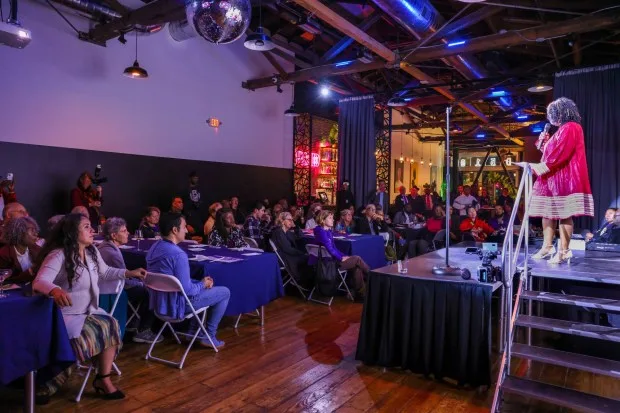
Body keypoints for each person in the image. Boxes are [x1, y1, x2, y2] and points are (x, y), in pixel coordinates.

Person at [33, 214, 146, 401]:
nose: (92, 230)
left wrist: (129, 273)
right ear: (72, 232)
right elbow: (40, 281)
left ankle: (103, 379)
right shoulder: (58, 254)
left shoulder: (92, 251)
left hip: (88, 312)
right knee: (100, 329)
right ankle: (49, 380)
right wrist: (55, 291)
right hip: (64, 316)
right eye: (86, 227)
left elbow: (106, 272)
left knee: (111, 324)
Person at [146, 212, 230, 349]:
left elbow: (174, 281)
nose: (186, 230)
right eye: (184, 227)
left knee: (200, 285)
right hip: (176, 306)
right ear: (174, 230)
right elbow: (188, 291)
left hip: (159, 305)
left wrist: (200, 284)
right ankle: (208, 335)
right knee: (224, 292)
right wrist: (203, 284)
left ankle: (192, 333)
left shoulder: (154, 248)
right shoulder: (178, 254)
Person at [529, 98, 594, 264]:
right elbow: (549, 152)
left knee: (564, 215)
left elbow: (559, 154)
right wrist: (543, 140)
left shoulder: (571, 127)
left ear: (562, 112)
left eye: (554, 114)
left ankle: (564, 250)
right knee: (547, 212)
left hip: (565, 178)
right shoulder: (560, 131)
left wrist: (539, 168)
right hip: (552, 178)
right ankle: (547, 246)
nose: (552, 118)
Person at [98, 217, 160, 344]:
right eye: (124, 231)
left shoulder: (104, 246)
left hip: (108, 286)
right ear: (114, 235)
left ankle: (132, 322)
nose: (128, 233)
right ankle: (144, 330)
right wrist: (142, 283)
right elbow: (125, 283)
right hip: (114, 290)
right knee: (151, 291)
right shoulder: (113, 254)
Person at [313, 210, 369, 301]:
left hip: (332, 261)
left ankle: (361, 294)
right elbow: (330, 250)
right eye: (330, 218)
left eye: (332, 218)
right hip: (328, 265)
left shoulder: (327, 231)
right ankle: (371, 276)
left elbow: (335, 249)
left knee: (356, 267)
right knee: (357, 259)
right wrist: (340, 258)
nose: (333, 220)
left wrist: (344, 256)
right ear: (323, 220)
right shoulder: (321, 232)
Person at [271, 212, 312, 287]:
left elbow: (301, 237)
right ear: (282, 221)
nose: (292, 222)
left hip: (288, 255)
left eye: (292, 220)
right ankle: (301, 282)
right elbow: (288, 249)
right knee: (308, 258)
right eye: (289, 220)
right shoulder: (278, 232)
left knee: (309, 257)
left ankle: (302, 282)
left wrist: (296, 227)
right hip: (284, 257)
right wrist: (302, 253)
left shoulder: (288, 232)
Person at [0, 216, 41, 284]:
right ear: (19, 232)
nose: (36, 234)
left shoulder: (37, 249)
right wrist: (30, 271)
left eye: (36, 230)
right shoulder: (4, 254)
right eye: (32, 230)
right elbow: (4, 281)